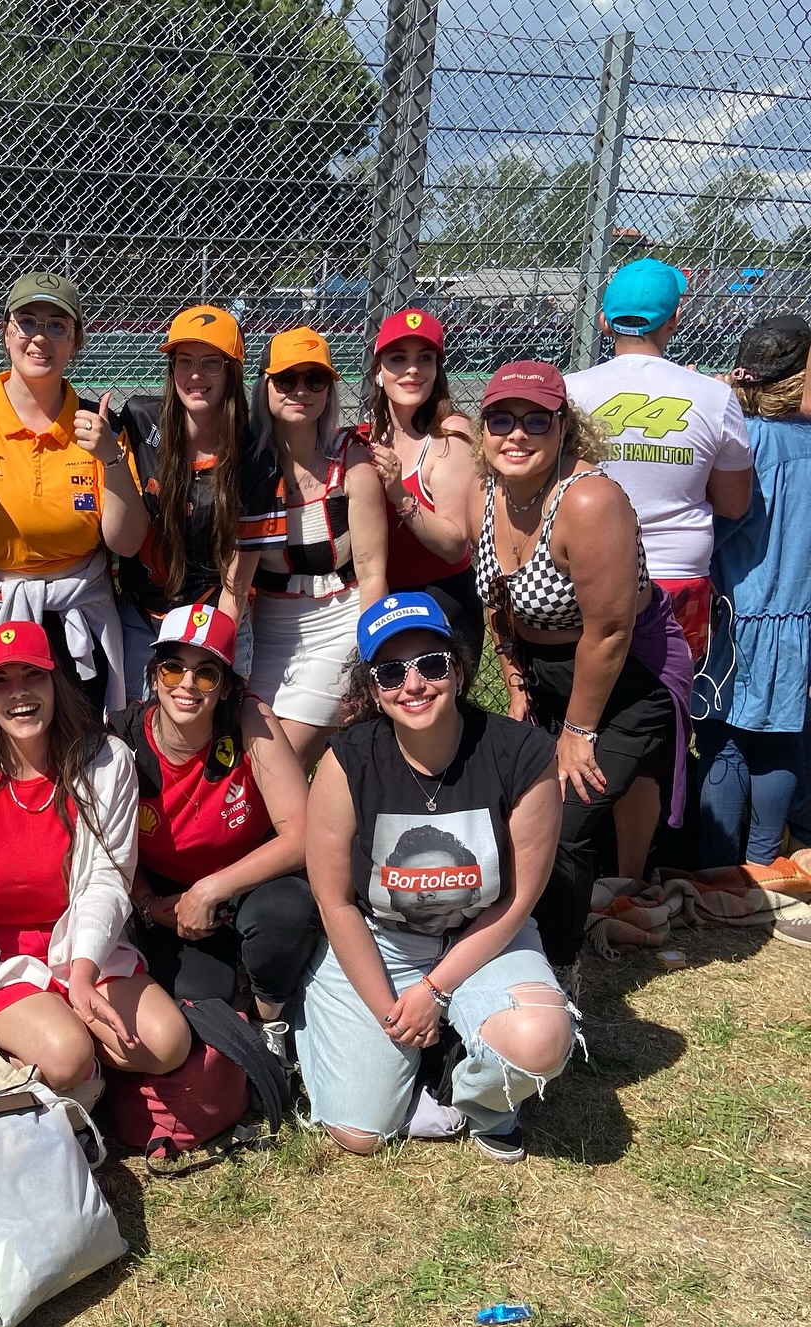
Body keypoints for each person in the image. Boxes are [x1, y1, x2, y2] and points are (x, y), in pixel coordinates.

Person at [296, 592, 574, 1162]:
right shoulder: (347, 760)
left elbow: (518, 899)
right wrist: (390, 1012)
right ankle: (412, 1043)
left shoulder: (521, 752)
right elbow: (335, 902)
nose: (414, 684)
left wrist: (434, 990)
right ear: (373, 688)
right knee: (360, 1133)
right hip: (383, 942)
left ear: (459, 666)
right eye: (392, 671)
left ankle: (469, 1091)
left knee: (539, 1042)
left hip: (485, 938)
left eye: (431, 664)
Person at [0, 622, 190, 1089]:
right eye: (0, 681)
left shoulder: (105, 759)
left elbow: (107, 879)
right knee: (69, 1055)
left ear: (57, 680)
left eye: (32, 674)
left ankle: (56, 1061)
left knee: (168, 1043)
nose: (19, 693)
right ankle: (16, 1050)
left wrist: (86, 973)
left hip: (73, 946)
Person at [470, 362, 692, 981]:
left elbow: (611, 631)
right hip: (548, 673)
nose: (517, 434)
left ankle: (558, 971)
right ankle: (521, 942)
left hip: (626, 681)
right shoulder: (485, 489)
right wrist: (516, 681)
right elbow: (499, 597)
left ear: (563, 427)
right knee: (518, 808)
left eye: (536, 419)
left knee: (563, 819)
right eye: (501, 419)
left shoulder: (590, 499)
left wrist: (579, 730)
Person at [565, 257, 754, 879]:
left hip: (581, 577)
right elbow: (733, 503)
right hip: (676, 583)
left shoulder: (571, 390)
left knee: (579, 715)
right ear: (675, 317)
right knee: (652, 733)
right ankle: (630, 871)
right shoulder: (712, 395)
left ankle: (569, 856)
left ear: (603, 318)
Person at [0, 272, 146, 721]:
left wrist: (112, 460)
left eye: (57, 326)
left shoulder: (102, 430)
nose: (40, 337)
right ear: (6, 331)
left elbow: (127, 544)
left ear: (76, 341)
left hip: (75, 621)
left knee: (78, 760)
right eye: (27, 322)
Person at [108, 604, 318, 1058]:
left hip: (248, 875)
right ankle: (235, 986)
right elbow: (103, 845)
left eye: (206, 674)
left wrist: (210, 890)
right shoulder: (121, 736)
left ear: (225, 687)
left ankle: (271, 1017)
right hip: (164, 894)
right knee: (202, 992)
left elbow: (301, 835)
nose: (186, 685)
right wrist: (146, 904)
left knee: (286, 914)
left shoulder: (248, 721)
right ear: (153, 676)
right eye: (172, 668)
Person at [695, 317, 811, 887]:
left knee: (722, 734)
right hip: (793, 611)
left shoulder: (742, 435)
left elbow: (724, 523)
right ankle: (765, 862)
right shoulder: (802, 441)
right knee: (779, 738)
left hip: (734, 608)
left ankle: (718, 863)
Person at [244, 326, 388, 768]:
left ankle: (293, 835)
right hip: (269, 624)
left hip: (339, 618)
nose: (300, 391)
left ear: (329, 390)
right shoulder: (246, 463)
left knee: (278, 759)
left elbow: (371, 571)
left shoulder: (351, 460)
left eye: (315, 379)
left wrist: (370, 657)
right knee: (248, 754)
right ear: (264, 386)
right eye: (286, 380)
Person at [116, 305, 273, 683]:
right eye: (183, 361)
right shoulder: (141, 420)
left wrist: (211, 654)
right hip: (141, 612)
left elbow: (236, 587)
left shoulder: (256, 456)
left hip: (213, 616)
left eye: (211, 363)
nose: (195, 375)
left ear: (232, 371)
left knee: (218, 729)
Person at [365, 308, 482, 665]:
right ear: (379, 373)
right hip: (378, 593)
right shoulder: (369, 434)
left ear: (436, 371)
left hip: (439, 596)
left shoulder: (450, 435)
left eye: (425, 359)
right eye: (398, 358)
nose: (412, 369)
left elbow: (453, 544)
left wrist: (399, 493)